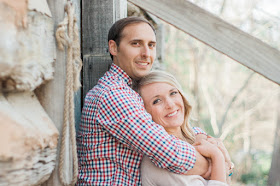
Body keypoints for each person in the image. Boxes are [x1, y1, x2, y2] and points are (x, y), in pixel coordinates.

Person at [76, 16, 210, 185]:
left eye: (151, 45)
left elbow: (162, 127)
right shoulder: (114, 95)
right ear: (114, 47)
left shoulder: (130, 90)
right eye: (136, 44)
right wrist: (212, 162)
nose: (146, 53)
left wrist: (201, 136)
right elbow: (170, 153)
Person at [136, 71, 233, 186]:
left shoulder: (196, 139)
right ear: (145, 113)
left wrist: (225, 167)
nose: (170, 104)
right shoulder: (160, 161)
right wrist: (217, 157)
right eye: (157, 101)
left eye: (173, 93)